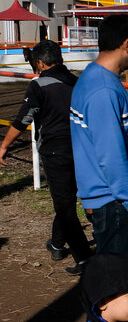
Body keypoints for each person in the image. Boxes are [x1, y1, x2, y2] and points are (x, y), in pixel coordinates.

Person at [0, 40, 91, 274]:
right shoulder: (77, 82)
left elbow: (24, 119)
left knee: (64, 205)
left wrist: (4, 145)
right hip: (82, 148)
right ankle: (57, 244)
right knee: (67, 199)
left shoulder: (39, 85)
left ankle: (84, 258)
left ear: (40, 63)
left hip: (54, 150)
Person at [70, 14, 128, 263]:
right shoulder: (104, 91)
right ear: (127, 44)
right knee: (116, 281)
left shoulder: (93, 77)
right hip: (113, 201)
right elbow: (111, 155)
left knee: (111, 275)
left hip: (108, 198)